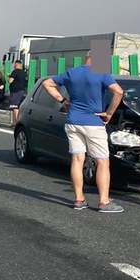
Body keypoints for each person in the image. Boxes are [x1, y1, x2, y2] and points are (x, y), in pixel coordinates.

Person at [41, 53, 125, 212]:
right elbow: (119, 92)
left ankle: (79, 200)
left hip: (73, 121)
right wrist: (109, 113)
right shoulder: (101, 74)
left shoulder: (72, 72)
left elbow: (47, 83)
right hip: (94, 123)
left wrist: (63, 101)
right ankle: (104, 202)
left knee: (78, 159)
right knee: (102, 161)